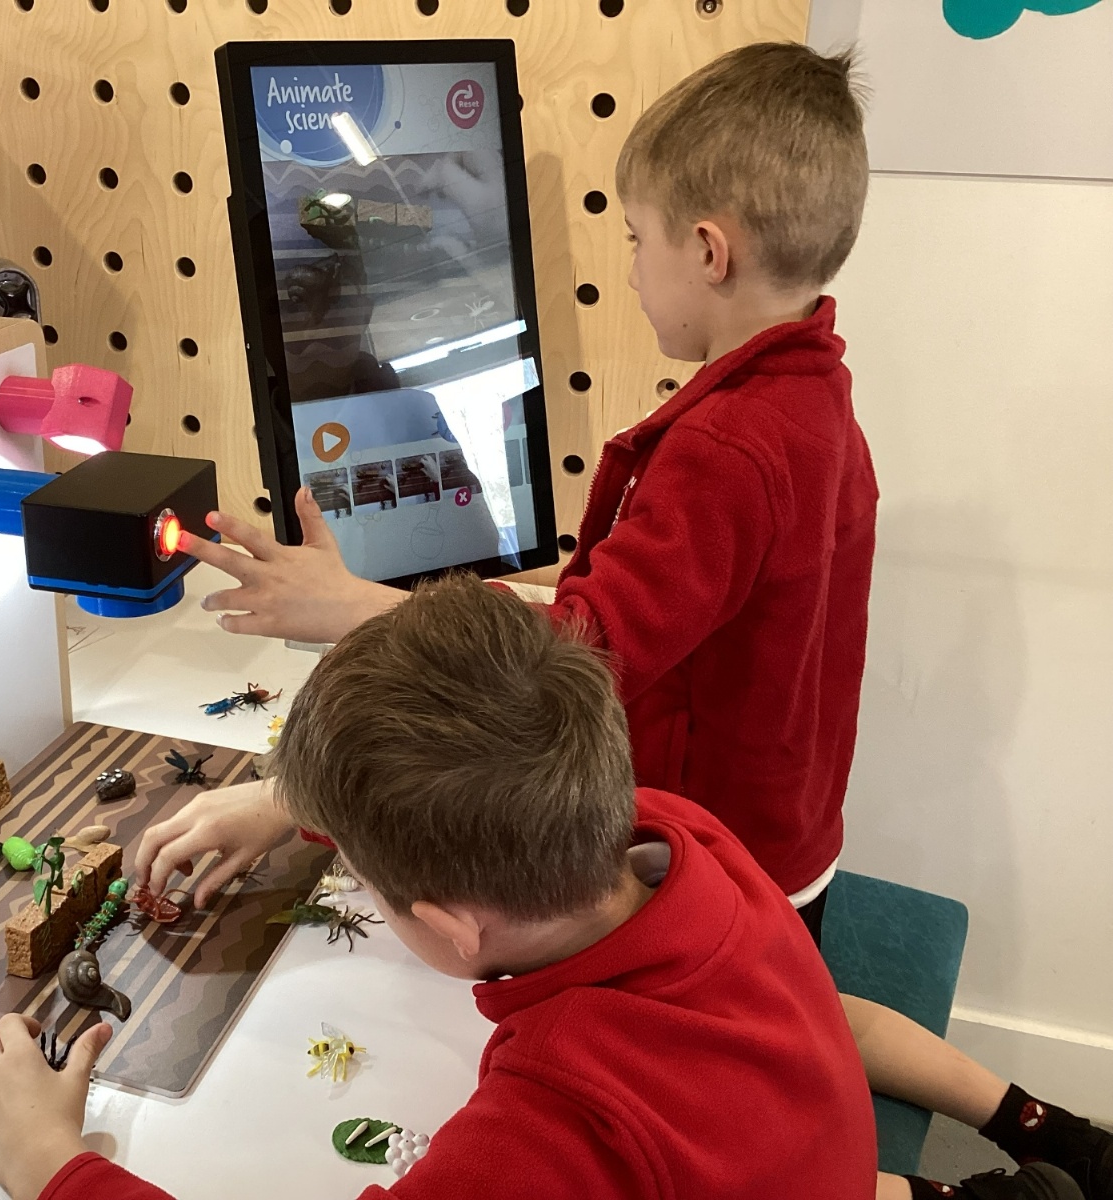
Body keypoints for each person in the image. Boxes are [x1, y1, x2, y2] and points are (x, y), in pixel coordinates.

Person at [129, 42, 1110, 1200]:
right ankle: (1044, 1134)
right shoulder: (804, 394)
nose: (631, 270)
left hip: (716, 832)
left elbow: (590, 643)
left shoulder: (730, 448)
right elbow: (640, 605)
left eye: (636, 240)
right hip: (776, 832)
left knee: (742, 1100)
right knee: (798, 1025)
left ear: (709, 250)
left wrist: (357, 610)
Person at [0, 578, 895, 1199]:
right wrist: (296, 800)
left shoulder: (558, 1125)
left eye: (365, 881)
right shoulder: (683, 834)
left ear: (453, 926)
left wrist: (50, 1164)